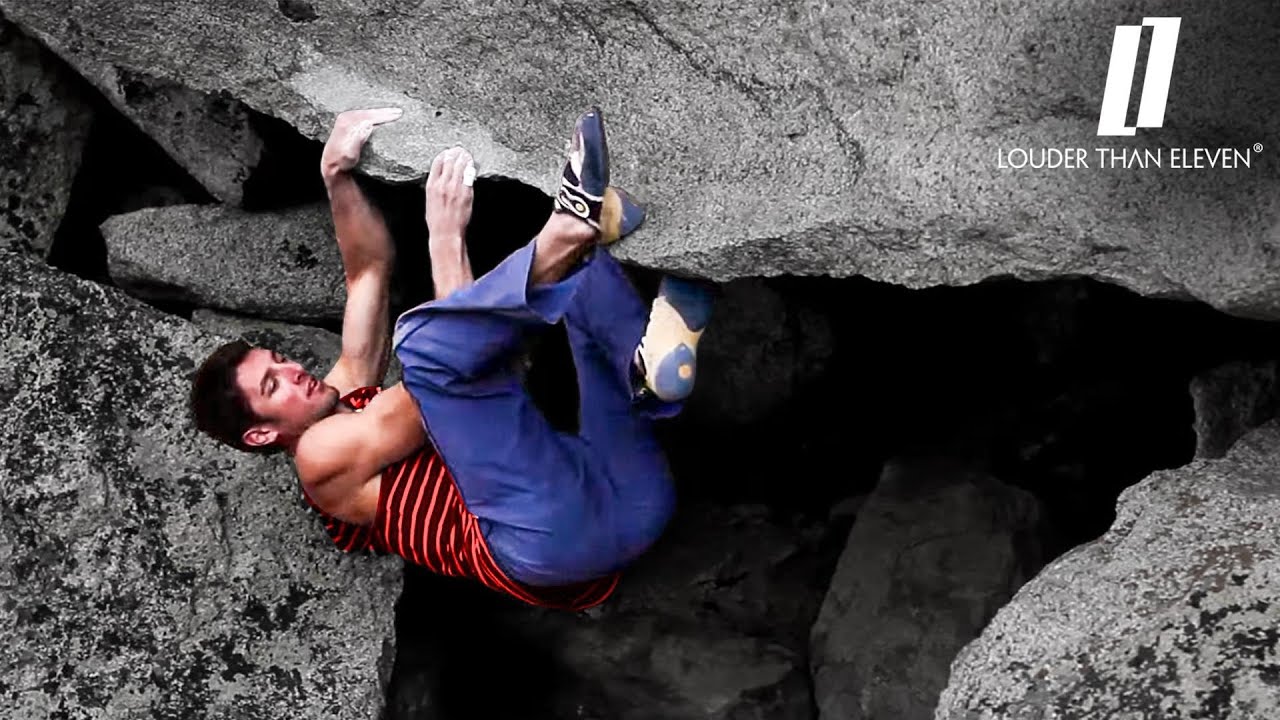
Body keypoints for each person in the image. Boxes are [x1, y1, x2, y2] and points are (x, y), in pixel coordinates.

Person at [189, 106, 715, 610]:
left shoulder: (347, 391)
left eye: (277, 360)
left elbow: (367, 271)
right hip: (551, 536)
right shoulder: (319, 462)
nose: (292, 370)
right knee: (421, 346)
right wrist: (445, 239)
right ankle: (573, 228)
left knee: (569, 284)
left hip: (625, 491)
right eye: (271, 386)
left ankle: (642, 366)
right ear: (260, 435)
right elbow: (449, 381)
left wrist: (336, 177)